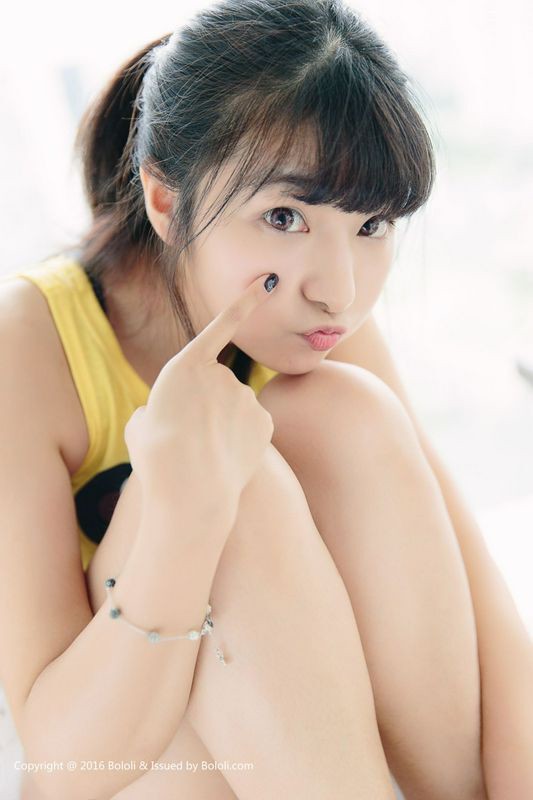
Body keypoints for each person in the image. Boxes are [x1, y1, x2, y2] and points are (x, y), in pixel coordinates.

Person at [0, 0, 531, 798]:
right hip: (123, 759)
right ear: (166, 202)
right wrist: (186, 509)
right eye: (283, 216)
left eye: (371, 225)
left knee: (338, 412)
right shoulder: (27, 345)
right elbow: (64, 762)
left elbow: (475, 591)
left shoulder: (314, 320)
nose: (337, 289)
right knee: (232, 475)